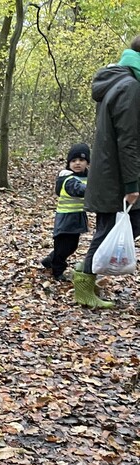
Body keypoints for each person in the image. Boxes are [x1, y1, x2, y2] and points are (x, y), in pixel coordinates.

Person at [75, 35, 140, 309]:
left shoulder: (120, 81)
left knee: (112, 228)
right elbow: (129, 140)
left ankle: (86, 275)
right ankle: (83, 282)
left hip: (111, 175)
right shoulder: (131, 87)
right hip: (117, 179)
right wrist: (132, 184)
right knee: (110, 230)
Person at [41, 144, 90, 282]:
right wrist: (96, 188)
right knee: (63, 247)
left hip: (76, 218)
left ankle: (49, 260)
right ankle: (57, 271)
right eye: (73, 161)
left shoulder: (87, 176)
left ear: (87, 162)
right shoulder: (68, 178)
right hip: (66, 218)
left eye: (81, 160)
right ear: (69, 163)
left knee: (72, 246)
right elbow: (80, 189)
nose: (77, 163)